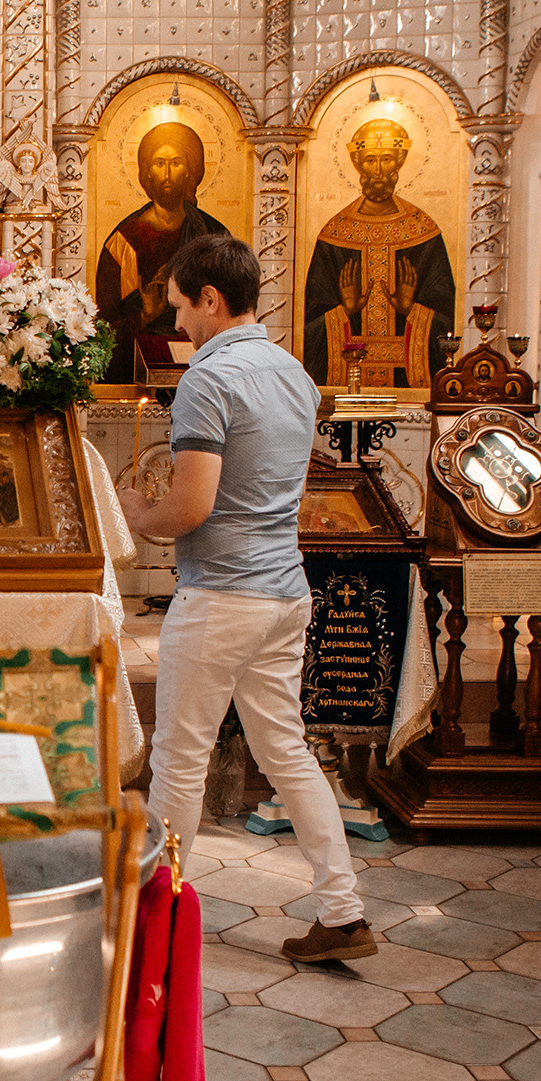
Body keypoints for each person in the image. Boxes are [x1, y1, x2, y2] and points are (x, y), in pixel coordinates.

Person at [116, 233, 375, 964]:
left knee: (179, 759)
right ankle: (342, 912)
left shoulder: (208, 377)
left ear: (211, 299)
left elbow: (191, 506)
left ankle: (151, 923)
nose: (177, 327)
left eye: (180, 310)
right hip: (285, 591)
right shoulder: (295, 372)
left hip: (223, 595)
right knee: (287, 751)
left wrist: (138, 515)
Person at [300, 118, 455, 390]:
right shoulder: (335, 232)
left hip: (407, 380)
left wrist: (412, 311)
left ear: (400, 163)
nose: (379, 170)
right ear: (358, 165)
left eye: (387, 159)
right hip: (345, 379)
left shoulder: (423, 230)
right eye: (370, 160)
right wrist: (343, 312)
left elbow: (449, 320)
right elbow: (308, 325)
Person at [94, 121, 231, 383]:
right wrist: (145, 314)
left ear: (191, 171)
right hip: (138, 373)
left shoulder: (214, 235)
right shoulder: (124, 240)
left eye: (176, 162)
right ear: (146, 173)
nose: (167, 173)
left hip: (206, 369)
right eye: (158, 163)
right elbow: (104, 328)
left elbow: (232, 310)